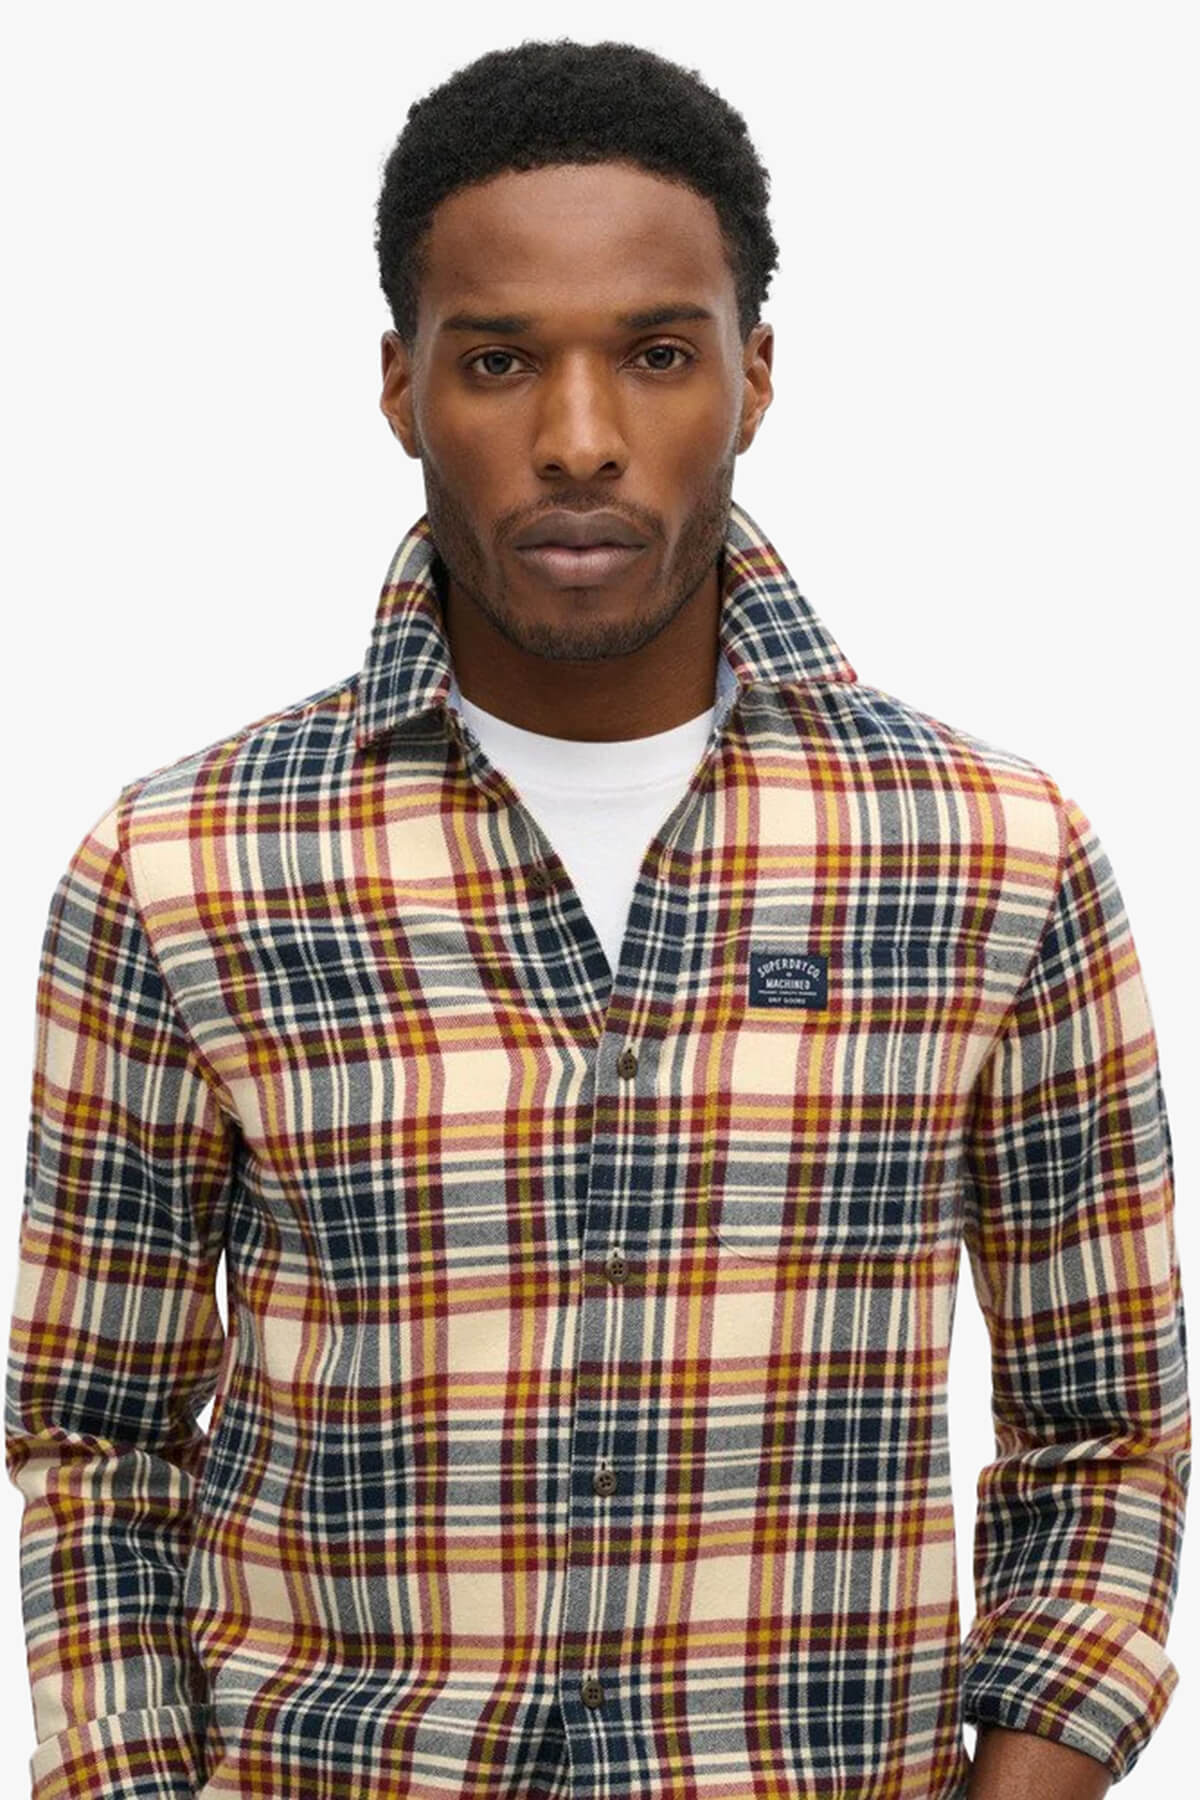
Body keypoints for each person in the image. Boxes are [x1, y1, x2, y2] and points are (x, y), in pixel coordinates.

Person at [4, 37, 1188, 1800]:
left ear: (755, 377)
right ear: (401, 386)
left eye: (655, 354)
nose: (578, 440)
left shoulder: (994, 857)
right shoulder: (182, 866)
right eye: (499, 361)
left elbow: (1105, 1433)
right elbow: (96, 1445)